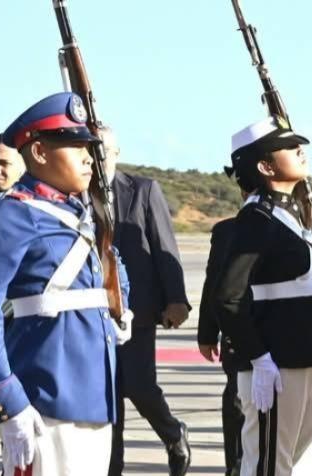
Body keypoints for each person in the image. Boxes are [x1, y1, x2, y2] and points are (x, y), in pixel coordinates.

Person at [0, 92, 133, 474]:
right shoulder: (11, 214)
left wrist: (122, 309)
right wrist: (8, 403)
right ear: (38, 152)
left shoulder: (81, 214)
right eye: (76, 146)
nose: (90, 157)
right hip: (44, 401)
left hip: (96, 397)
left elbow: (110, 271)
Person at [216, 116, 312, 475]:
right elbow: (228, 297)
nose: (300, 151)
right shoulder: (257, 219)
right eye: (288, 148)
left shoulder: (289, 214)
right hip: (281, 361)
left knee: (301, 464)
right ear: (265, 166)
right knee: (270, 465)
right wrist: (259, 357)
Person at [100, 128, 192, 476]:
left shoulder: (142, 190)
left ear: (118, 151)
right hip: (96, 313)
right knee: (110, 398)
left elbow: (165, 246)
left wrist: (176, 299)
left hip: (137, 309)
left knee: (139, 386)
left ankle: (172, 432)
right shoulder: (77, 192)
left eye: (106, 149)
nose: (100, 156)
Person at [198, 189, 253, 476]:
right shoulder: (227, 231)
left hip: (280, 336)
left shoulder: (295, 227)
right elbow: (214, 284)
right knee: (236, 399)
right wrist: (207, 333)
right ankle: (235, 467)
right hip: (239, 332)